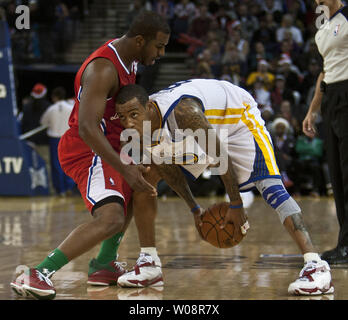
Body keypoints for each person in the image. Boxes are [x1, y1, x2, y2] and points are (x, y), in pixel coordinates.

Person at [114, 79, 333, 296]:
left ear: (149, 106)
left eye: (134, 114)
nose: (129, 123)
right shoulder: (144, 127)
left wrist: (236, 204)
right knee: (147, 178)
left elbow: (220, 157)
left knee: (271, 188)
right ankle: (149, 261)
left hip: (237, 117)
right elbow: (169, 170)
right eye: (123, 117)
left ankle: (316, 265)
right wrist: (194, 209)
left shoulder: (184, 112)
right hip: (205, 127)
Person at [10, 10, 170, 300]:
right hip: (88, 149)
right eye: (158, 46)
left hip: (109, 145)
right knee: (110, 218)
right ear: (139, 40)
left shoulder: (128, 60)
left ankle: (105, 265)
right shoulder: (104, 69)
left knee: (139, 187)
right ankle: (38, 272)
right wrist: (125, 169)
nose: (160, 53)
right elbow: (86, 127)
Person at [302, 0, 348, 264]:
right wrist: (312, 111)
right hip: (332, 98)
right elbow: (325, 71)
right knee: (338, 175)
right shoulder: (321, 26)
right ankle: (345, 243)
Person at [40, 87, 76, 196]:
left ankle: (60, 190)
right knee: (69, 162)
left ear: (54, 97)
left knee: (56, 164)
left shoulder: (51, 109)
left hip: (55, 139)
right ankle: (69, 186)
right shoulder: (70, 108)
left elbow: (43, 122)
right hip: (68, 138)